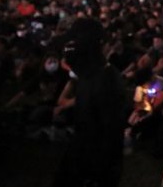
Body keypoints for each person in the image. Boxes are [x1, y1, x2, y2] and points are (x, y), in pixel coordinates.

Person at [53, 18, 127, 187]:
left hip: (95, 165)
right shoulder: (89, 74)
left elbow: (110, 136)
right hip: (82, 150)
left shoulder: (106, 80)